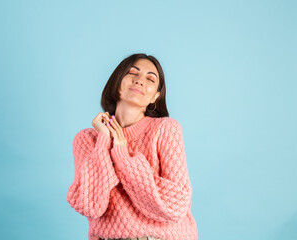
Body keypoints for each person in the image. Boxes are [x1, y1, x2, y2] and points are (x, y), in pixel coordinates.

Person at [66, 53, 198, 240]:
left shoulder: (166, 129)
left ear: (156, 96)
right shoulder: (87, 139)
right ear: (117, 83)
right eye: (132, 73)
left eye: (150, 78)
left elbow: (175, 206)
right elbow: (90, 206)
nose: (139, 81)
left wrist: (122, 155)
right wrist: (104, 140)